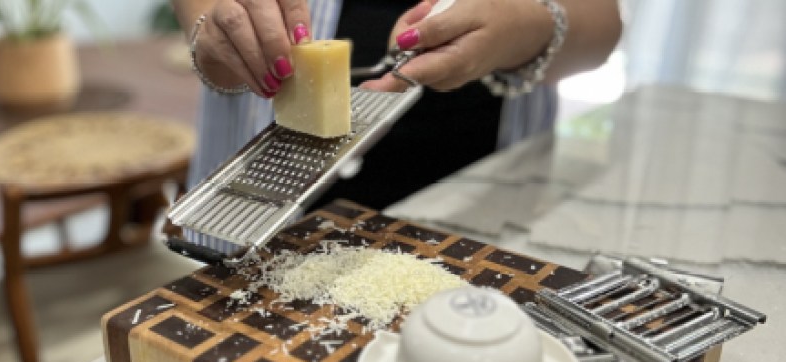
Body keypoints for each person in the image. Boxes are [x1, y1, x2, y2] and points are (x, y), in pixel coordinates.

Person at [171, 0, 622, 210]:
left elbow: (603, 25)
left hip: (478, 197)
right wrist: (217, 34)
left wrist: (526, 26)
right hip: (266, 197)